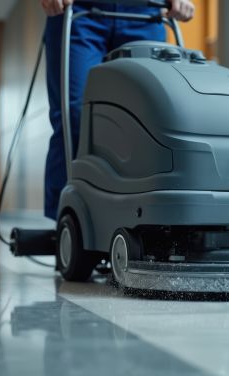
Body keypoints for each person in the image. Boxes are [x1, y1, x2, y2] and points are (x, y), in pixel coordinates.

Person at [40, 0, 195, 220]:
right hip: (79, 11)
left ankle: (142, 216)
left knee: (148, 119)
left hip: (145, 11)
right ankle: (66, 220)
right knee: (75, 116)